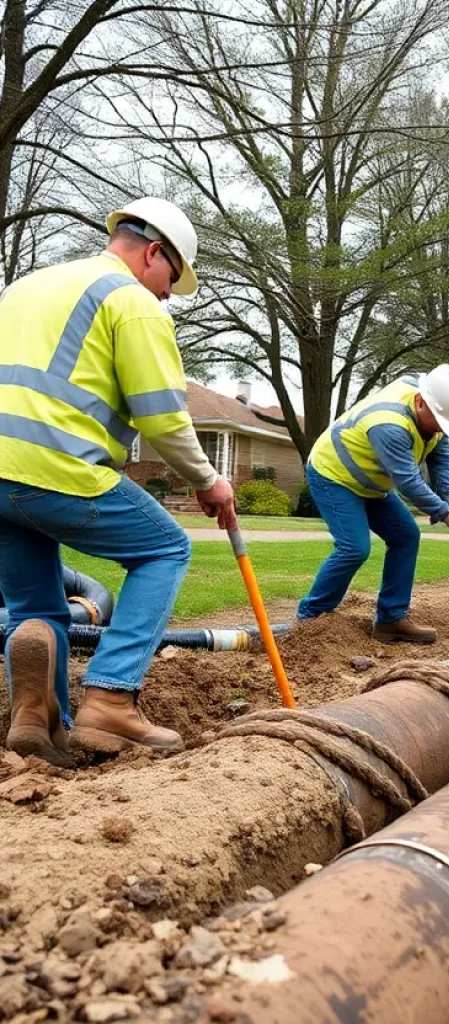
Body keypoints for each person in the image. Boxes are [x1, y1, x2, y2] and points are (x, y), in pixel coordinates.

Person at [0, 197, 237, 766]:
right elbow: (160, 415)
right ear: (154, 253)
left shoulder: (26, 288)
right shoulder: (131, 300)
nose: (165, 297)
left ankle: (38, 715)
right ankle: (110, 696)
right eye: (169, 282)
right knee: (165, 548)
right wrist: (209, 482)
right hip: (57, 465)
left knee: (37, 605)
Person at [298, 366, 449, 642]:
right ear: (420, 402)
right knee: (354, 548)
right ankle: (308, 621)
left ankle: (391, 620)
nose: (443, 430)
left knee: (406, 535)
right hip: (334, 476)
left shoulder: (436, 410)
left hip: (372, 482)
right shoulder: (389, 424)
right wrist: (444, 513)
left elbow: (441, 460)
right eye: (441, 422)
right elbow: (409, 482)